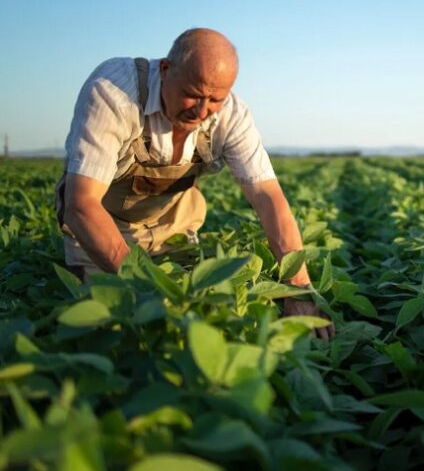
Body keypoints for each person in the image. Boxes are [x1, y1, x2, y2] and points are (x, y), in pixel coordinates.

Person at [56, 28, 335, 340]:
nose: (202, 111)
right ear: (165, 69)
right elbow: (80, 206)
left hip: (173, 231)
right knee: (114, 328)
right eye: (193, 93)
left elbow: (269, 200)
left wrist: (297, 292)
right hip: (101, 231)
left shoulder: (232, 115)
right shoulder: (114, 93)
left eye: (215, 99)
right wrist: (152, 290)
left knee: (210, 321)